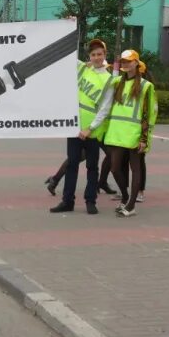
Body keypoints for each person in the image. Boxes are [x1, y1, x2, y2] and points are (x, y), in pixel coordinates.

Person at [50, 39, 115, 215]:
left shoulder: (109, 80)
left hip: (92, 132)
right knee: (72, 164)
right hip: (74, 127)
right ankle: (67, 201)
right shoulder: (83, 69)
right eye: (93, 55)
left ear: (104, 55)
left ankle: (90, 201)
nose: (96, 57)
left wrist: (90, 128)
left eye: (99, 54)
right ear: (89, 57)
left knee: (92, 168)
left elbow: (105, 109)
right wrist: (69, 27)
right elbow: (68, 54)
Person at [103, 50, 157, 217]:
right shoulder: (116, 82)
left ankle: (131, 204)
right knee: (114, 168)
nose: (126, 64)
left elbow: (149, 113)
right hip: (116, 132)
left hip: (134, 134)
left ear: (136, 63)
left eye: (129, 61)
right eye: (123, 61)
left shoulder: (146, 86)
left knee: (136, 169)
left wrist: (144, 138)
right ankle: (126, 197)